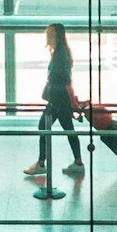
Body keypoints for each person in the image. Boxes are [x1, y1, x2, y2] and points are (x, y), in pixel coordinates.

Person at [27, 23, 84, 183]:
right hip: (60, 98)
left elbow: (66, 81)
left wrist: (71, 101)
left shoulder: (60, 55)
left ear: (57, 36)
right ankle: (78, 162)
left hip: (58, 99)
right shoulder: (61, 52)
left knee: (44, 126)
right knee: (68, 129)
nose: (48, 37)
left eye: (50, 34)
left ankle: (41, 163)